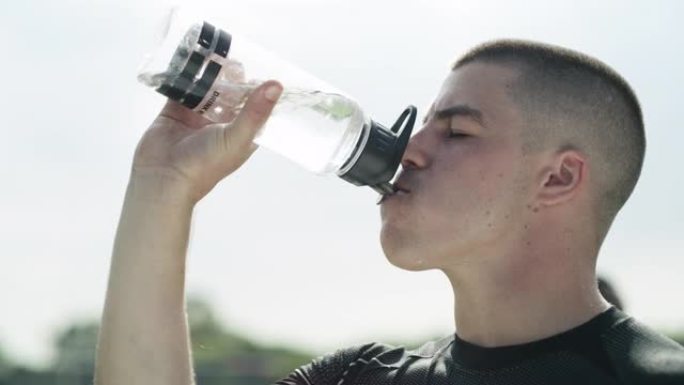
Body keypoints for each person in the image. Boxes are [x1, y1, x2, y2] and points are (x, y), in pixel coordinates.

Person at [94, 40, 684, 385]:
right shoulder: (358, 377)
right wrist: (162, 187)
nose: (408, 149)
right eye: (419, 123)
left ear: (557, 178)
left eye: (454, 130)